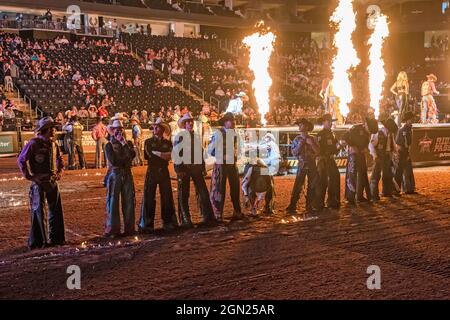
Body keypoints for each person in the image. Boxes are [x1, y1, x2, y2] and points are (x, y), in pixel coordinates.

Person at [17, 117, 65, 249]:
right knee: (39, 211)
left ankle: (56, 239)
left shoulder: (53, 144)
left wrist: (59, 172)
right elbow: (21, 160)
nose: (54, 130)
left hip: (51, 181)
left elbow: (60, 160)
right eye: (52, 128)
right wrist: (30, 177)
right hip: (39, 183)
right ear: (47, 129)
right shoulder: (33, 143)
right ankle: (40, 241)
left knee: (54, 210)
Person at [173, 112, 216, 228]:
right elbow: (176, 154)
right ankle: (186, 219)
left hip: (195, 167)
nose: (190, 123)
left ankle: (207, 216)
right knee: (185, 194)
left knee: (202, 192)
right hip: (185, 169)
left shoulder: (195, 136)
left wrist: (202, 166)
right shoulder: (180, 137)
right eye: (188, 122)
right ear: (184, 124)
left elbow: (200, 152)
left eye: (191, 121)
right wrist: (178, 169)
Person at [138, 118, 178, 233]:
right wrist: (163, 154)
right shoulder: (149, 142)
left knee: (166, 197)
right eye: (154, 127)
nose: (155, 129)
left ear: (162, 129)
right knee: (149, 197)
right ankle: (147, 224)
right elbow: (150, 156)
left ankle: (167, 222)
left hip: (161, 171)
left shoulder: (165, 143)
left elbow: (169, 156)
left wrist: (158, 153)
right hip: (153, 170)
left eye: (157, 127)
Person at [208, 112, 243, 222]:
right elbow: (210, 150)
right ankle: (218, 214)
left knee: (235, 187)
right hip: (221, 164)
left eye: (233, 120)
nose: (233, 122)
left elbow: (238, 149)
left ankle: (237, 211)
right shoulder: (218, 133)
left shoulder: (234, 134)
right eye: (231, 120)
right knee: (219, 189)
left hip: (231, 164)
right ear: (225, 122)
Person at [104, 119, 136, 238]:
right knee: (113, 202)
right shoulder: (109, 145)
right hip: (116, 174)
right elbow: (114, 161)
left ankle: (129, 228)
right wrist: (125, 161)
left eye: (121, 129)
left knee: (129, 201)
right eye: (117, 129)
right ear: (112, 131)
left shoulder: (127, 143)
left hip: (125, 173)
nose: (119, 131)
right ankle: (113, 229)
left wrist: (124, 144)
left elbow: (132, 155)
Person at [286, 118, 320, 214]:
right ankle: (293, 205)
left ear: (307, 127)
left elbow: (318, 152)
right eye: (299, 125)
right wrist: (300, 144)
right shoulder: (297, 139)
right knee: (298, 185)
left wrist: (311, 143)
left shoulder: (313, 138)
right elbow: (294, 152)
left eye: (301, 125)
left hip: (312, 164)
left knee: (312, 185)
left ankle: (309, 205)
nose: (300, 126)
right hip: (302, 164)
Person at [343, 117, 378, 204]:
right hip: (353, 155)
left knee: (362, 174)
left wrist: (365, 148)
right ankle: (350, 197)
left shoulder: (367, 133)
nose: (370, 131)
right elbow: (345, 137)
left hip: (361, 154)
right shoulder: (355, 128)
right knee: (352, 175)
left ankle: (360, 195)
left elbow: (366, 143)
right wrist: (352, 146)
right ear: (366, 125)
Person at [316, 114, 341, 210]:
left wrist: (338, 148)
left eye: (331, 121)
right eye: (328, 121)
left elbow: (335, 148)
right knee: (322, 181)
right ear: (323, 122)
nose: (330, 123)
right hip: (323, 160)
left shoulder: (332, 134)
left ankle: (332, 200)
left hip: (330, 159)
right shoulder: (320, 135)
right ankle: (319, 202)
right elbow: (318, 149)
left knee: (335, 177)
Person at [369, 118, 398, 200]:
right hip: (379, 156)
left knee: (388, 174)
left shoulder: (389, 134)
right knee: (376, 175)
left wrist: (395, 152)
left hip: (387, 156)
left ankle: (387, 191)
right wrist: (375, 155)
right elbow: (371, 145)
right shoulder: (378, 133)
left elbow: (393, 144)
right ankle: (373, 193)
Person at [394, 111, 416, 194]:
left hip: (406, 151)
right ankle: (397, 189)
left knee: (408, 170)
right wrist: (401, 153)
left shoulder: (409, 129)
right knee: (400, 171)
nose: (412, 120)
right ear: (407, 120)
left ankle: (409, 188)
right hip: (402, 152)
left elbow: (409, 143)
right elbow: (398, 144)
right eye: (410, 119)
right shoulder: (402, 130)